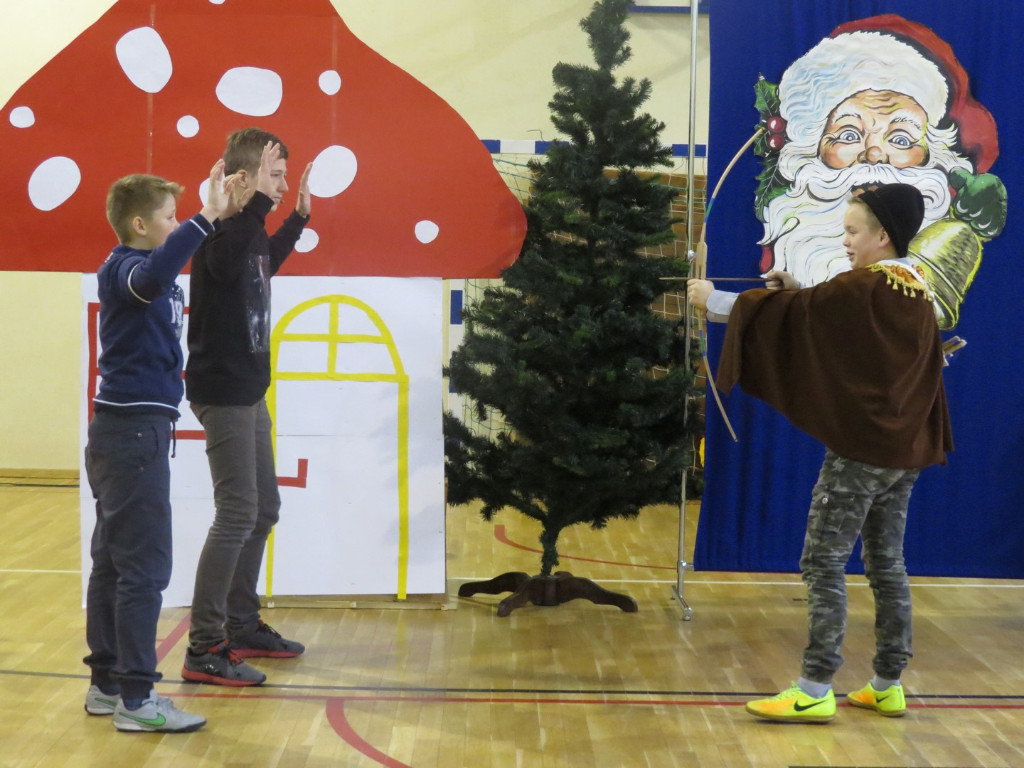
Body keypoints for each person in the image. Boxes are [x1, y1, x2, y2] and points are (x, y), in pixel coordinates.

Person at [687, 183, 953, 723]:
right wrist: (796, 290)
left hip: (862, 452)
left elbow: (807, 314)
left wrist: (710, 299)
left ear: (883, 235)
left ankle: (814, 687)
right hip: (904, 452)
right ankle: (887, 684)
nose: (846, 240)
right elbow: (819, 315)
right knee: (887, 563)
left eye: (853, 231)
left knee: (823, 561)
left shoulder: (863, 286)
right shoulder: (914, 286)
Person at [84, 160, 237, 732]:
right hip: (131, 436)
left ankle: (107, 686)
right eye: (170, 218)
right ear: (139, 225)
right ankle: (136, 699)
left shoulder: (144, 266)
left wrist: (218, 214)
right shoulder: (124, 269)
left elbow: (167, 268)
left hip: (128, 433)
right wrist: (206, 216)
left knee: (115, 564)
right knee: (143, 569)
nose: (177, 226)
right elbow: (152, 277)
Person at [181, 128, 312, 686]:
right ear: (245, 178)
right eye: (274, 175)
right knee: (237, 513)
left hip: (248, 391)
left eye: (282, 177)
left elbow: (263, 265)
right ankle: (204, 647)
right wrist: (257, 202)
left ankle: (240, 624)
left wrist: (298, 219)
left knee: (262, 510)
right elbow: (226, 262)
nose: (281, 186)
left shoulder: (250, 231)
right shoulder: (220, 230)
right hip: (224, 391)